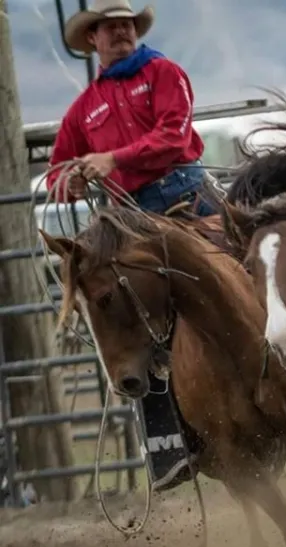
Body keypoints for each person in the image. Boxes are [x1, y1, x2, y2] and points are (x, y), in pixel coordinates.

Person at [46, 0, 218, 492]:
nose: (119, 32)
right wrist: (72, 181)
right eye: (109, 27)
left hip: (187, 195)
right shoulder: (84, 108)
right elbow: (58, 168)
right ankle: (168, 443)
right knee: (128, 315)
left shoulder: (164, 73)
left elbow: (173, 135)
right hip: (133, 215)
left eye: (125, 25)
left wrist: (110, 158)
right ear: (92, 41)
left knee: (244, 265)